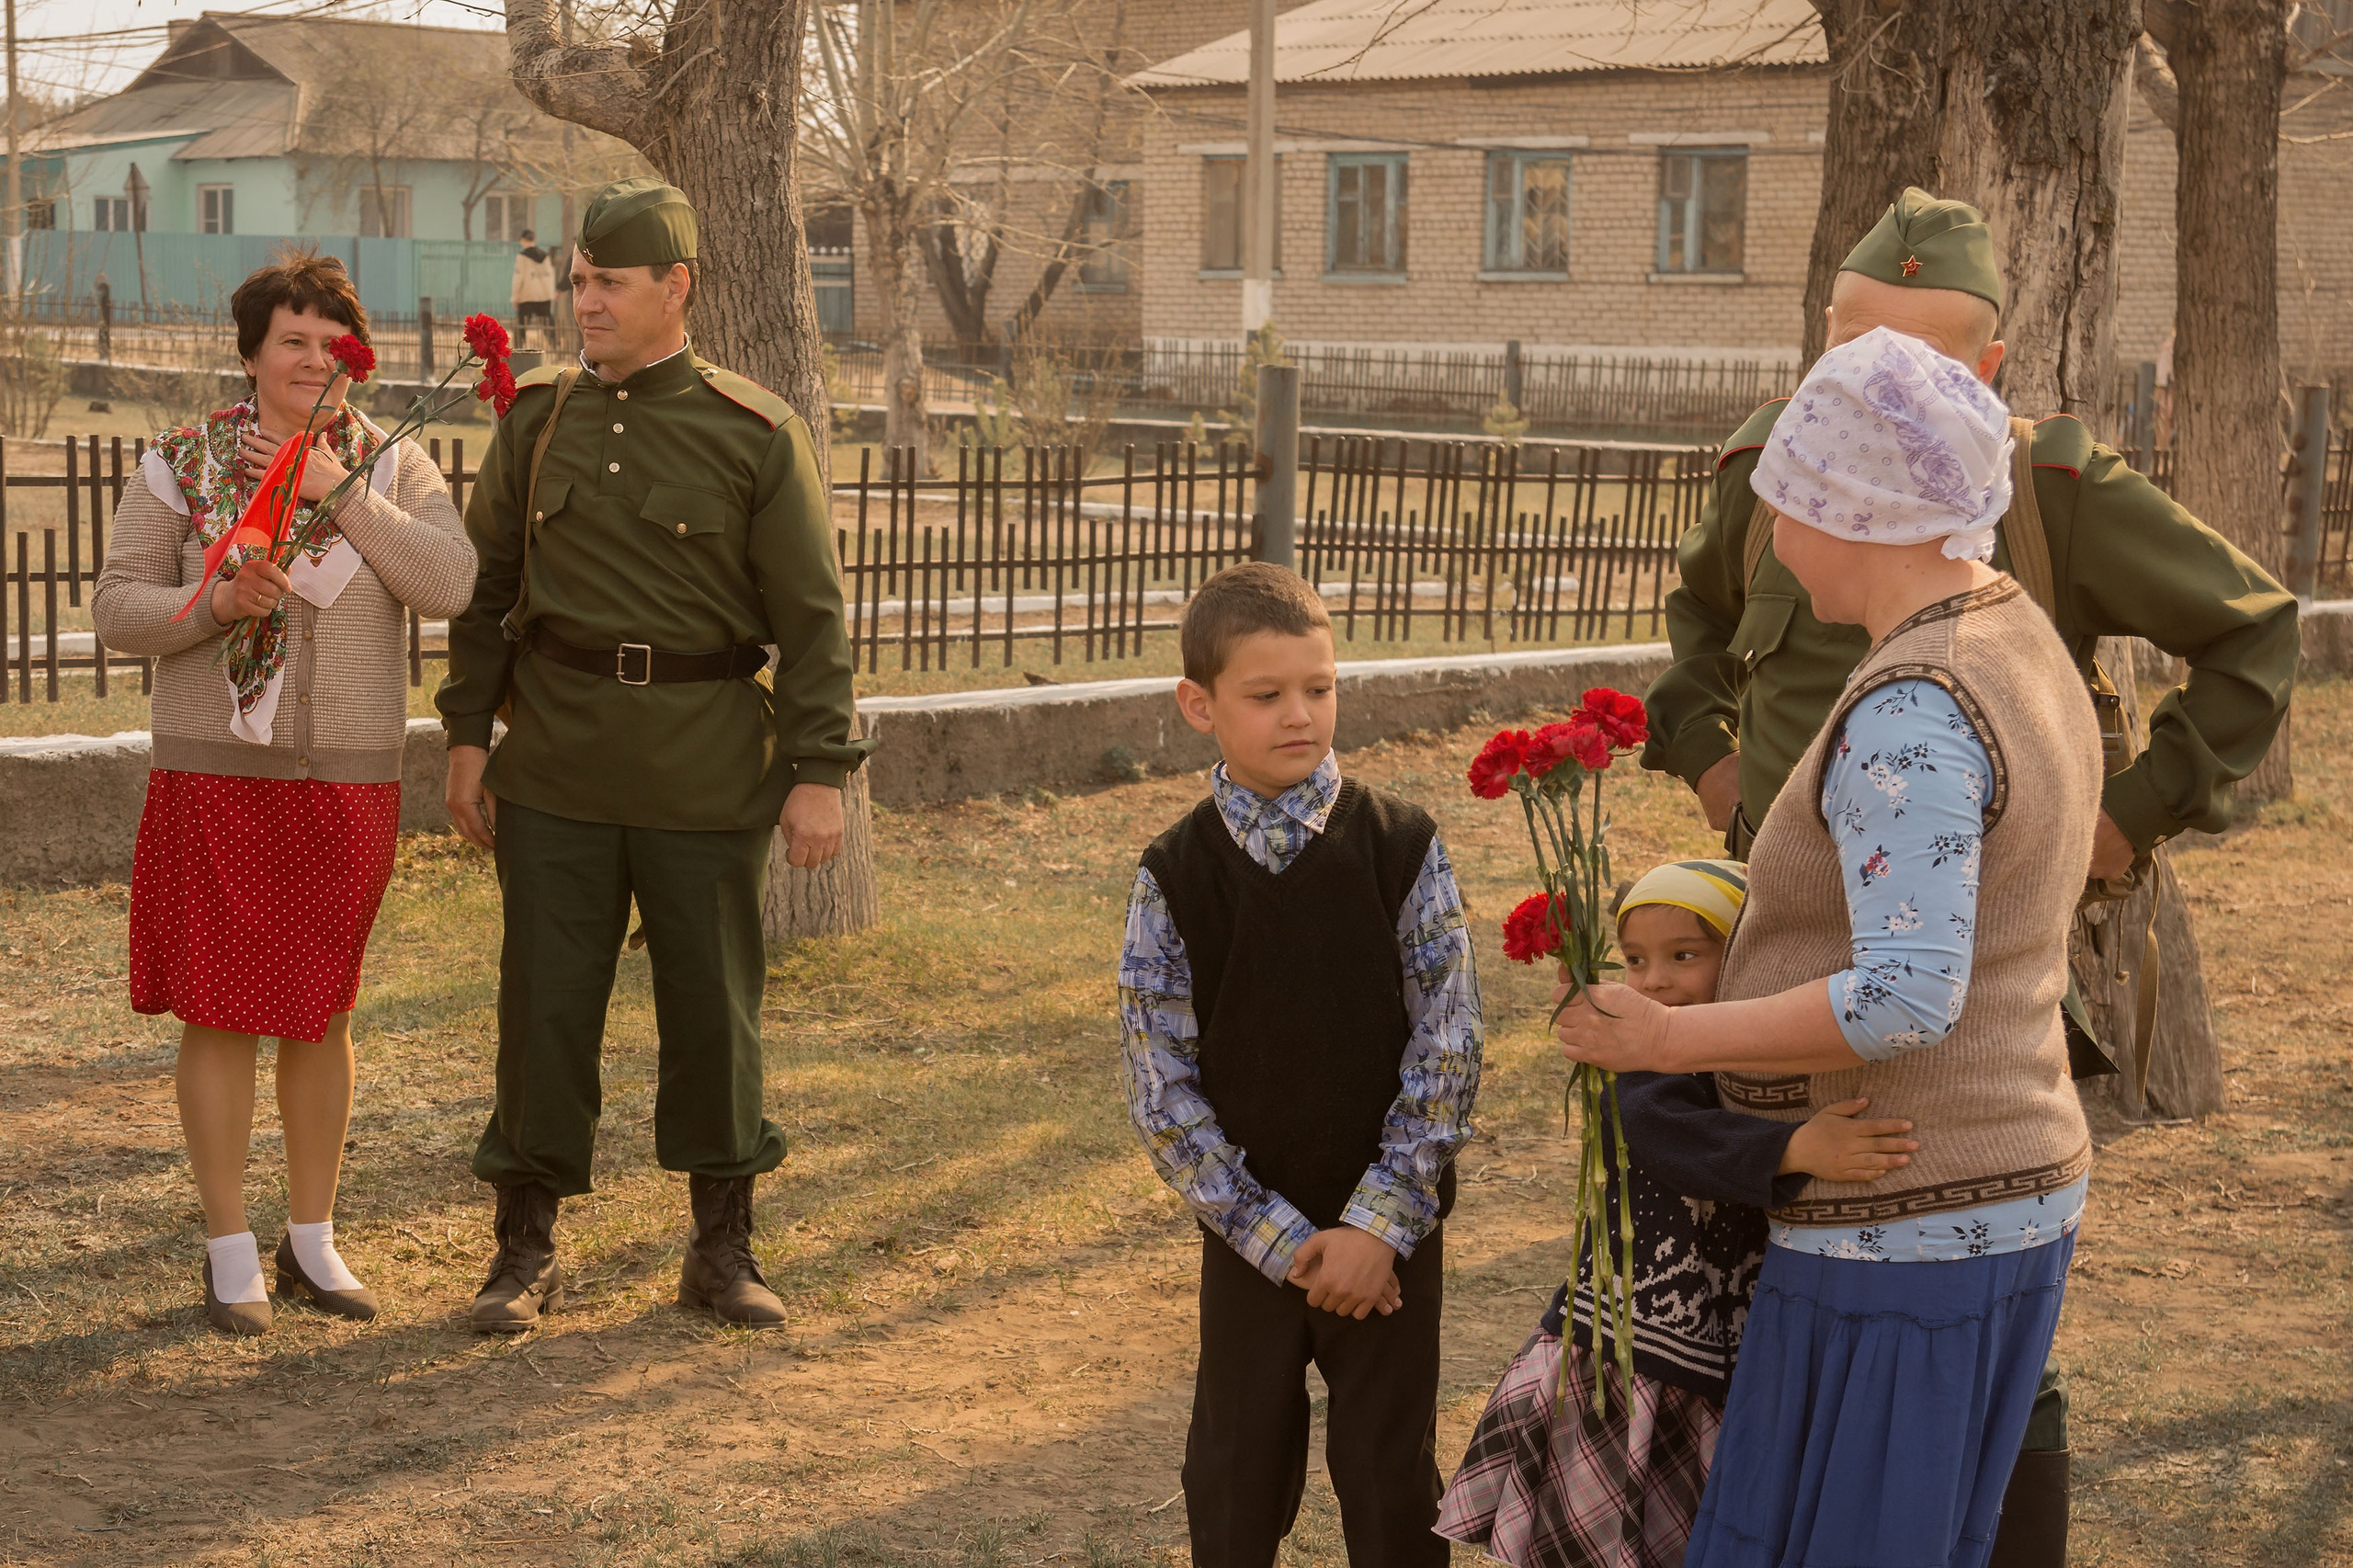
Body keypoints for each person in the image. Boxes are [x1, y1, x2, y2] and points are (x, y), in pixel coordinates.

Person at [1641, 187, 2299, 1563]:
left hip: (1944, 1064)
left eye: (1915, 359)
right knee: (1803, 1368)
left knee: (1957, 1395)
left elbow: (2249, 638)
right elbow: (1696, 634)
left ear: (1984, 377)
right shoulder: (1785, 475)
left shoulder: (2036, 507)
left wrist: (2123, 823)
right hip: (1806, 974)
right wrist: (1723, 783)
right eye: (1845, 347)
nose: (1864, 386)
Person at [1560, 325, 2101, 1568]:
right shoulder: (2009, 629)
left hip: (1907, 1222)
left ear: (1864, 510)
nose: (1773, 526)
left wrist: (1669, 1033)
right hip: (1995, 1183)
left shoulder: (1914, 707)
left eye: (1791, 495)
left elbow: (1908, 992)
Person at [438, 178, 869, 1333]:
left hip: (704, 766)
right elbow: (484, 597)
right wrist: (469, 738)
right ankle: (522, 1250)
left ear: (674, 288)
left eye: (608, 282)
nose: (584, 300)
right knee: (542, 1006)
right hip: (558, 768)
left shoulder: (754, 431)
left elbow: (815, 621)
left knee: (713, 1010)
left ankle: (722, 1248)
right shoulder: (535, 420)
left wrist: (819, 768)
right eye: (578, 279)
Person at [91, 251, 478, 1335]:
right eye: (291, 340)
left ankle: (313, 1239)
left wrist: (336, 492)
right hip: (218, 769)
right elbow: (118, 607)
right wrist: (212, 601)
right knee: (220, 1011)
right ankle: (229, 1249)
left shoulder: (395, 465)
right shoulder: (182, 461)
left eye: (332, 342)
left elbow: (451, 584)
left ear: (357, 356)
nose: (314, 360)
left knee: (322, 1009)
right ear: (254, 353)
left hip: (345, 775)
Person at [1118, 562, 1483, 1568]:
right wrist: (1279, 1240)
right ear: (1199, 703)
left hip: (1389, 1244)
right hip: (1250, 1236)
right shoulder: (1174, 872)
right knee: (1233, 1474)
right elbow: (1159, 1084)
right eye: (1265, 694)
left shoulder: (1400, 844)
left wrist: (1376, 1225)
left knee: (1387, 1474)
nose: (1299, 714)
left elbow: (1448, 1041)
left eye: (1318, 688)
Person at [1437, 859, 1920, 1568]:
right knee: (1621, 1531)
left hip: (1726, 1338)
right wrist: (1797, 1147)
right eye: (1634, 961)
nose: (1655, 980)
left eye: (1684, 956)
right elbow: (1670, 1139)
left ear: (1746, 961)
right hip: (1640, 1344)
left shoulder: (1748, 1057)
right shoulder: (1643, 1066)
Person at [511, 229, 555, 347]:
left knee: (522, 324)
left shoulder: (522, 257)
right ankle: (554, 345)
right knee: (547, 323)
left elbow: (518, 277)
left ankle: (519, 346)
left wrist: (515, 297)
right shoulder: (545, 256)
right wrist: (550, 295)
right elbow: (550, 276)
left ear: (523, 240)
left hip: (527, 295)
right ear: (534, 239)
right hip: (544, 296)